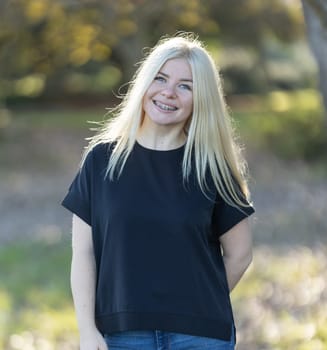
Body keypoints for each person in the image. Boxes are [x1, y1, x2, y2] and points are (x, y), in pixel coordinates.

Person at [62, 33, 255, 350]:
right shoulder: (101, 161)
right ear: (144, 82)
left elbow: (240, 254)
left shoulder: (211, 167)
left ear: (200, 98)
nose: (169, 92)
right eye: (161, 78)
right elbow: (84, 254)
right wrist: (86, 330)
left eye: (185, 85)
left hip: (199, 337)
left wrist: (198, 307)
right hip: (122, 335)